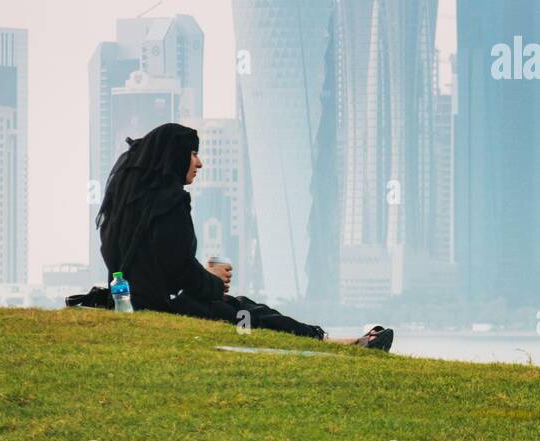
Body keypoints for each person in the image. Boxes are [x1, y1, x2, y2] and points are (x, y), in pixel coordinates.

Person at [96, 122, 392, 350]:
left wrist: (209, 280)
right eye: (193, 153)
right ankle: (345, 344)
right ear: (173, 156)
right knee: (250, 315)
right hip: (169, 309)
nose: (199, 163)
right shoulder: (170, 202)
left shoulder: (123, 206)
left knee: (246, 306)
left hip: (139, 305)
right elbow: (179, 272)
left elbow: (159, 267)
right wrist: (213, 279)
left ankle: (338, 340)